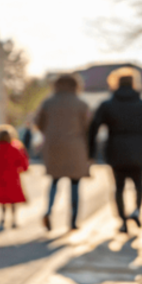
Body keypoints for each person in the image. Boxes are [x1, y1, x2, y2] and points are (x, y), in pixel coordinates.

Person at [89, 68, 142, 233]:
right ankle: (136, 211)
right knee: (139, 184)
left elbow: (94, 127)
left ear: (115, 83)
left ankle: (122, 221)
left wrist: (91, 151)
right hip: (138, 149)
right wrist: (141, 134)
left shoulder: (107, 105)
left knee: (119, 187)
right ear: (135, 83)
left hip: (116, 149)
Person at [35, 74, 92, 232]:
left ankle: (48, 211)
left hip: (54, 147)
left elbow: (39, 123)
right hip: (76, 147)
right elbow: (88, 127)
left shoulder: (48, 102)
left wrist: (50, 134)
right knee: (75, 184)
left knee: (54, 182)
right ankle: (73, 220)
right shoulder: (81, 104)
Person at [0, 124, 30, 229]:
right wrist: (22, 169)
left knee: (2, 200)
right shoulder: (16, 147)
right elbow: (24, 163)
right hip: (13, 177)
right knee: (13, 199)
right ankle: (14, 219)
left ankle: (3, 217)